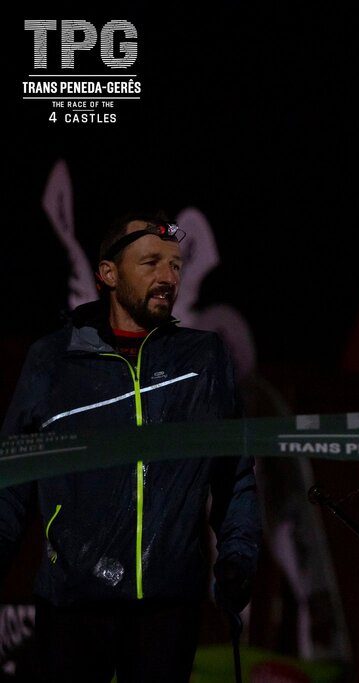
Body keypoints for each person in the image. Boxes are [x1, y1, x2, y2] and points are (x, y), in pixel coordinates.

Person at [0, 213, 262, 682]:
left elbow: (235, 475)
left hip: (168, 608)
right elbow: (10, 481)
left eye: (176, 266)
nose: (168, 277)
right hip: (73, 605)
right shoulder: (52, 361)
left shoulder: (204, 359)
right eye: (151, 263)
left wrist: (239, 557)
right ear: (107, 274)